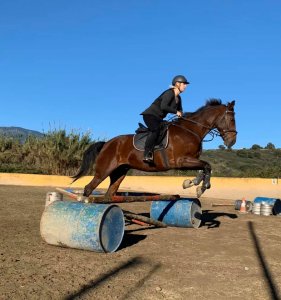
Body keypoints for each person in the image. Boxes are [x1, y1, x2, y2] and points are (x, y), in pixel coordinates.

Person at [140, 75, 190, 163]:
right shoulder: (169, 93)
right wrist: (176, 112)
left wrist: (182, 116)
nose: (186, 86)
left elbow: (180, 111)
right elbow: (164, 106)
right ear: (177, 84)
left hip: (158, 118)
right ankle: (147, 153)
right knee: (155, 130)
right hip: (150, 115)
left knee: (167, 129)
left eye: (186, 84)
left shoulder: (179, 98)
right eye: (184, 84)